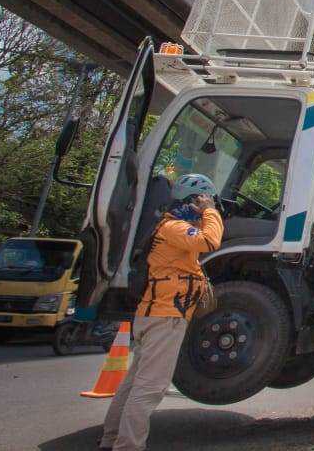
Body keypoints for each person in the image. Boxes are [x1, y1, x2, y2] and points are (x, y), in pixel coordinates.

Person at [100, 174, 223, 451]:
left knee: (134, 384)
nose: (204, 208)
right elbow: (210, 242)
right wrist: (211, 212)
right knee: (150, 388)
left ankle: (111, 438)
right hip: (165, 316)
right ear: (192, 201)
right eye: (201, 202)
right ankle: (128, 446)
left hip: (156, 313)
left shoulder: (168, 228)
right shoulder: (174, 229)